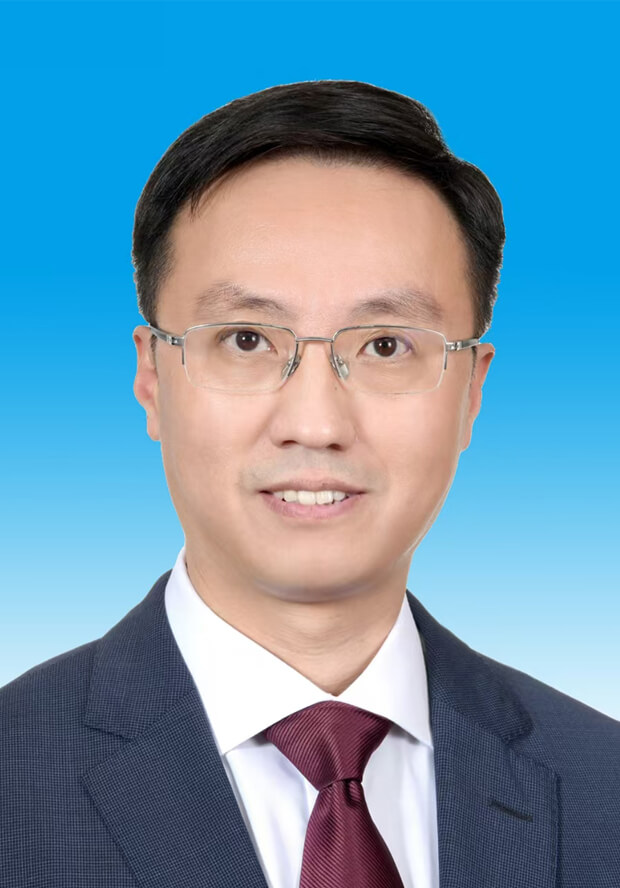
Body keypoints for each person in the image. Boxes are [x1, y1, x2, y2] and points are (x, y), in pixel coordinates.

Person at [1, 80, 618, 888]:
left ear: (472, 391)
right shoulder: (15, 777)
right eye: (246, 339)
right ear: (152, 376)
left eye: (387, 346)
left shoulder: (602, 786)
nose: (316, 422)